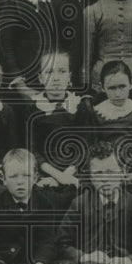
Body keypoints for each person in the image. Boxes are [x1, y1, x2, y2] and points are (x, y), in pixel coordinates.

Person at [75, 60, 132, 213]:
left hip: (130, 172)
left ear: (131, 84)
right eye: (112, 88)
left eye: (122, 86)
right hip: (103, 171)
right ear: (102, 87)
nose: (118, 94)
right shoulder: (96, 112)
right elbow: (90, 146)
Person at [27, 49, 84, 191]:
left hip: (75, 171)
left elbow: (86, 145)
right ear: (41, 78)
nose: (56, 78)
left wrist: (66, 175)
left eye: (62, 71)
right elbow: (32, 148)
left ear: (69, 76)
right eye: (49, 72)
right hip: (45, 172)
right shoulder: (33, 108)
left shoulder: (80, 106)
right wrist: (57, 176)